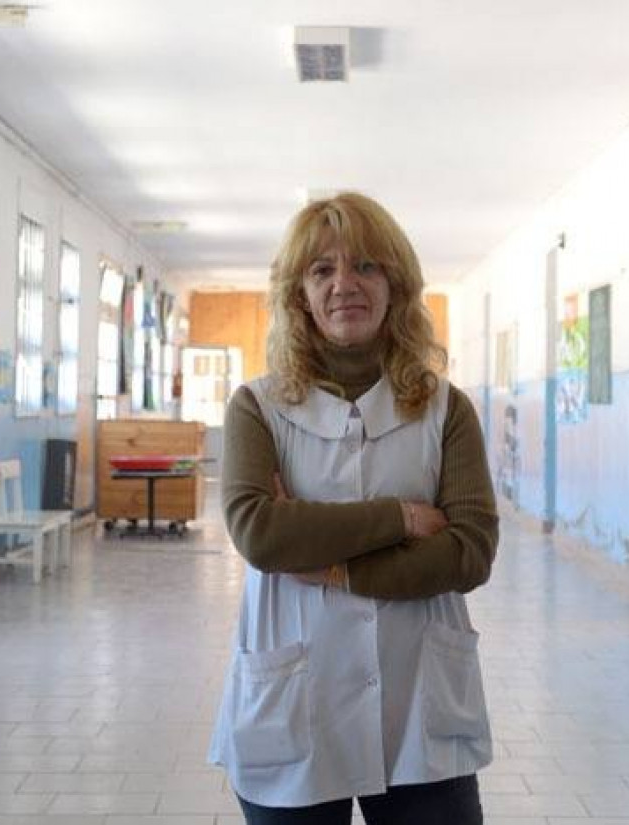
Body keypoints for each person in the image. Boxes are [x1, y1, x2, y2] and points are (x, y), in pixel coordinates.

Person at [208, 192, 499, 825]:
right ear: (299, 294)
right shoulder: (257, 407)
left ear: (396, 284)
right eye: (323, 270)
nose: (346, 285)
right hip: (294, 701)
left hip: (420, 703)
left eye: (367, 266)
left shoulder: (447, 410)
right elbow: (261, 535)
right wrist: (401, 519)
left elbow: (470, 552)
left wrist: (337, 568)